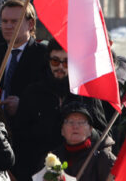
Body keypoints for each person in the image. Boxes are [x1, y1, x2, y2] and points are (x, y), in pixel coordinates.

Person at [12, 38, 107, 181]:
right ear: (48, 61)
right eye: (55, 61)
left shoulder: (86, 92)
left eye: (67, 62)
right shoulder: (33, 92)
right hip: (38, 171)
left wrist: (84, 129)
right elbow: (19, 137)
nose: (60, 67)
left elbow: (105, 134)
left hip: (80, 171)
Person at [0, 0, 47, 121]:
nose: (8, 26)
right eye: (5, 21)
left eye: (15, 21)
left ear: (30, 24)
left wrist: (22, 106)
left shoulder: (44, 55)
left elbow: (48, 96)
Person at [48, 100, 115, 181]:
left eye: (81, 122)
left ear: (90, 129)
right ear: (62, 130)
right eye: (70, 122)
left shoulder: (103, 158)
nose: (75, 126)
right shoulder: (52, 160)